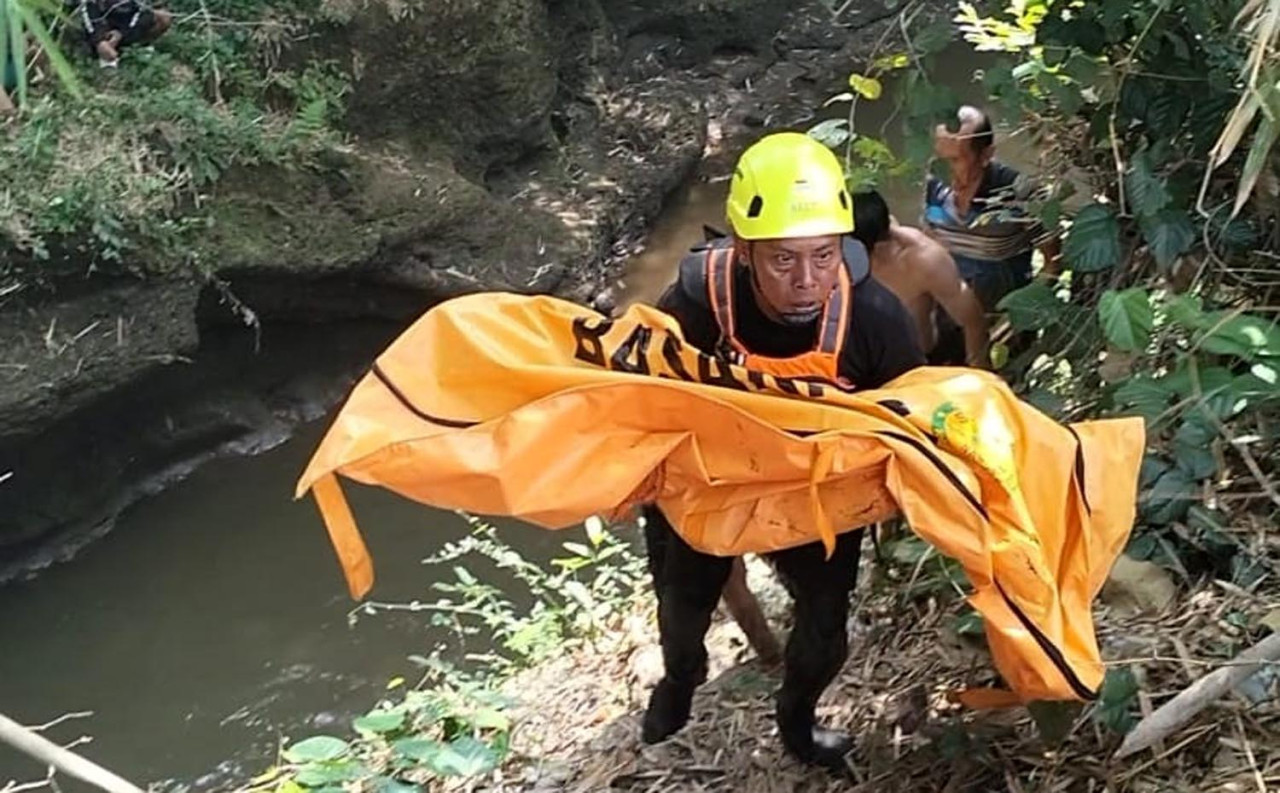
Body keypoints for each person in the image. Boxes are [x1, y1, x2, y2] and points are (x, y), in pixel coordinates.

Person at [641, 132, 925, 770]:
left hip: (815, 490)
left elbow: (916, 414)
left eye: (824, 257)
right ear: (743, 250)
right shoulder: (696, 302)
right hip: (709, 478)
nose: (807, 282)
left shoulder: (873, 319)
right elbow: (643, 393)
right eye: (782, 261)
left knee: (826, 632)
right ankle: (681, 678)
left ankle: (796, 723)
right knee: (681, 605)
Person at [924, 106, 1060, 362]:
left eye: (956, 160)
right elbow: (930, 239)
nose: (947, 170)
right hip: (950, 318)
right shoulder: (935, 183)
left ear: (987, 155)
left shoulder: (1019, 194)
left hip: (1002, 323)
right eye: (941, 159)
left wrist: (1018, 318)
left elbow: (1053, 263)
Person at [853, 189, 989, 368]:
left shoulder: (924, 259)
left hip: (916, 358)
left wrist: (978, 366)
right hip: (863, 353)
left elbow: (972, 319)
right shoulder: (837, 252)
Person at [67, 0, 173, 67]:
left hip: (127, 23)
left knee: (163, 17)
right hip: (101, 22)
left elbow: (145, 11)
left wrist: (122, 33)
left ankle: (136, 47)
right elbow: (86, 10)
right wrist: (98, 40)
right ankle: (101, 53)